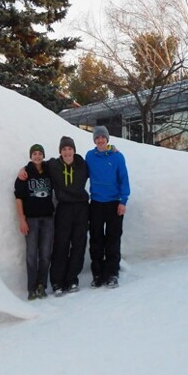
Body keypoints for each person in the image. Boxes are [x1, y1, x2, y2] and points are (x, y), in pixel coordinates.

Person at [19, 136, 89, 295]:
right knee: (61, 245)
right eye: (64, 149)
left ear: (74, 150)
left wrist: (112, 148)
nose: (67, 152)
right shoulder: (54, 165)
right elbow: (37, 164)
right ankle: (57, 281)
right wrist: (22, 170)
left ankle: (72, 280)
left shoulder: (83, 165)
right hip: (64, 208)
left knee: (78, 245)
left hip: (81, 208)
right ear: (60, 152)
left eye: (69, 148)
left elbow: (101, 162)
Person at [86, 126, 130, 288]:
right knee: (96, 240)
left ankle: (112, 273)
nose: (100, 140)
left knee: (113, 240)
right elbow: (78, 169)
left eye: (102, 137)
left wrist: (123, 201)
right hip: (96, 204)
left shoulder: (118, 157)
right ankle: (97, 274)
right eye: (97, 138)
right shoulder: (90, 156)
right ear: (94, 140)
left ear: (107, 139)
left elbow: (124, 180)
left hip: (114, 204)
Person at [14, 144, 54, 300]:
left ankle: (41, 285)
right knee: (31, 255)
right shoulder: (25, 173)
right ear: (31, 156)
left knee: (45, 254)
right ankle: (31, 288)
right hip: (31, 219)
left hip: (48, 218)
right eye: (34, 153)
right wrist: (22, 219)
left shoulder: (49, 169)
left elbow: (61, 161)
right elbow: (18, 198)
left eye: (40, 153)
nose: (37, 156)